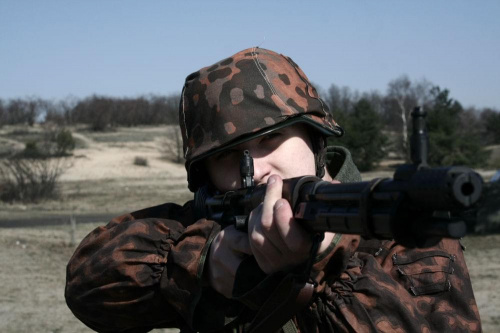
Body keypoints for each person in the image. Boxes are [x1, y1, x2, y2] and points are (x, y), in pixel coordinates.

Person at [65, 47, 481, 332]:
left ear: (314, 138)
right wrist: (203, 265)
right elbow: (86, 285)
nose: (259, 169)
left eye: (271, 140)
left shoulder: (407, 231)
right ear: (206, 175)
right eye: (230, 156)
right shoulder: (209, 227)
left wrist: (324, 273)